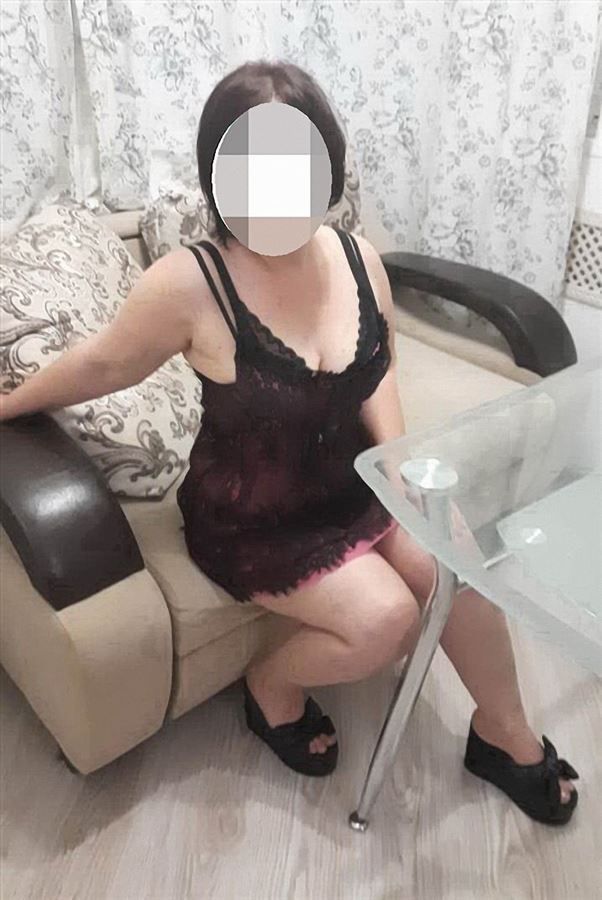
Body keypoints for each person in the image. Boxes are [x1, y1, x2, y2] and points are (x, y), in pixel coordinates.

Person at [0, 60, 579, 825]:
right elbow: (103, 364)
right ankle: (272, 685)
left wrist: (398, 465)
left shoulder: (356, 257)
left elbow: (378, 367)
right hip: (255, 516)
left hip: (354, 482)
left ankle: (503, 732)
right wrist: (8, 404)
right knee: (387, 620)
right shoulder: (189, 284)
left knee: (455, 563)